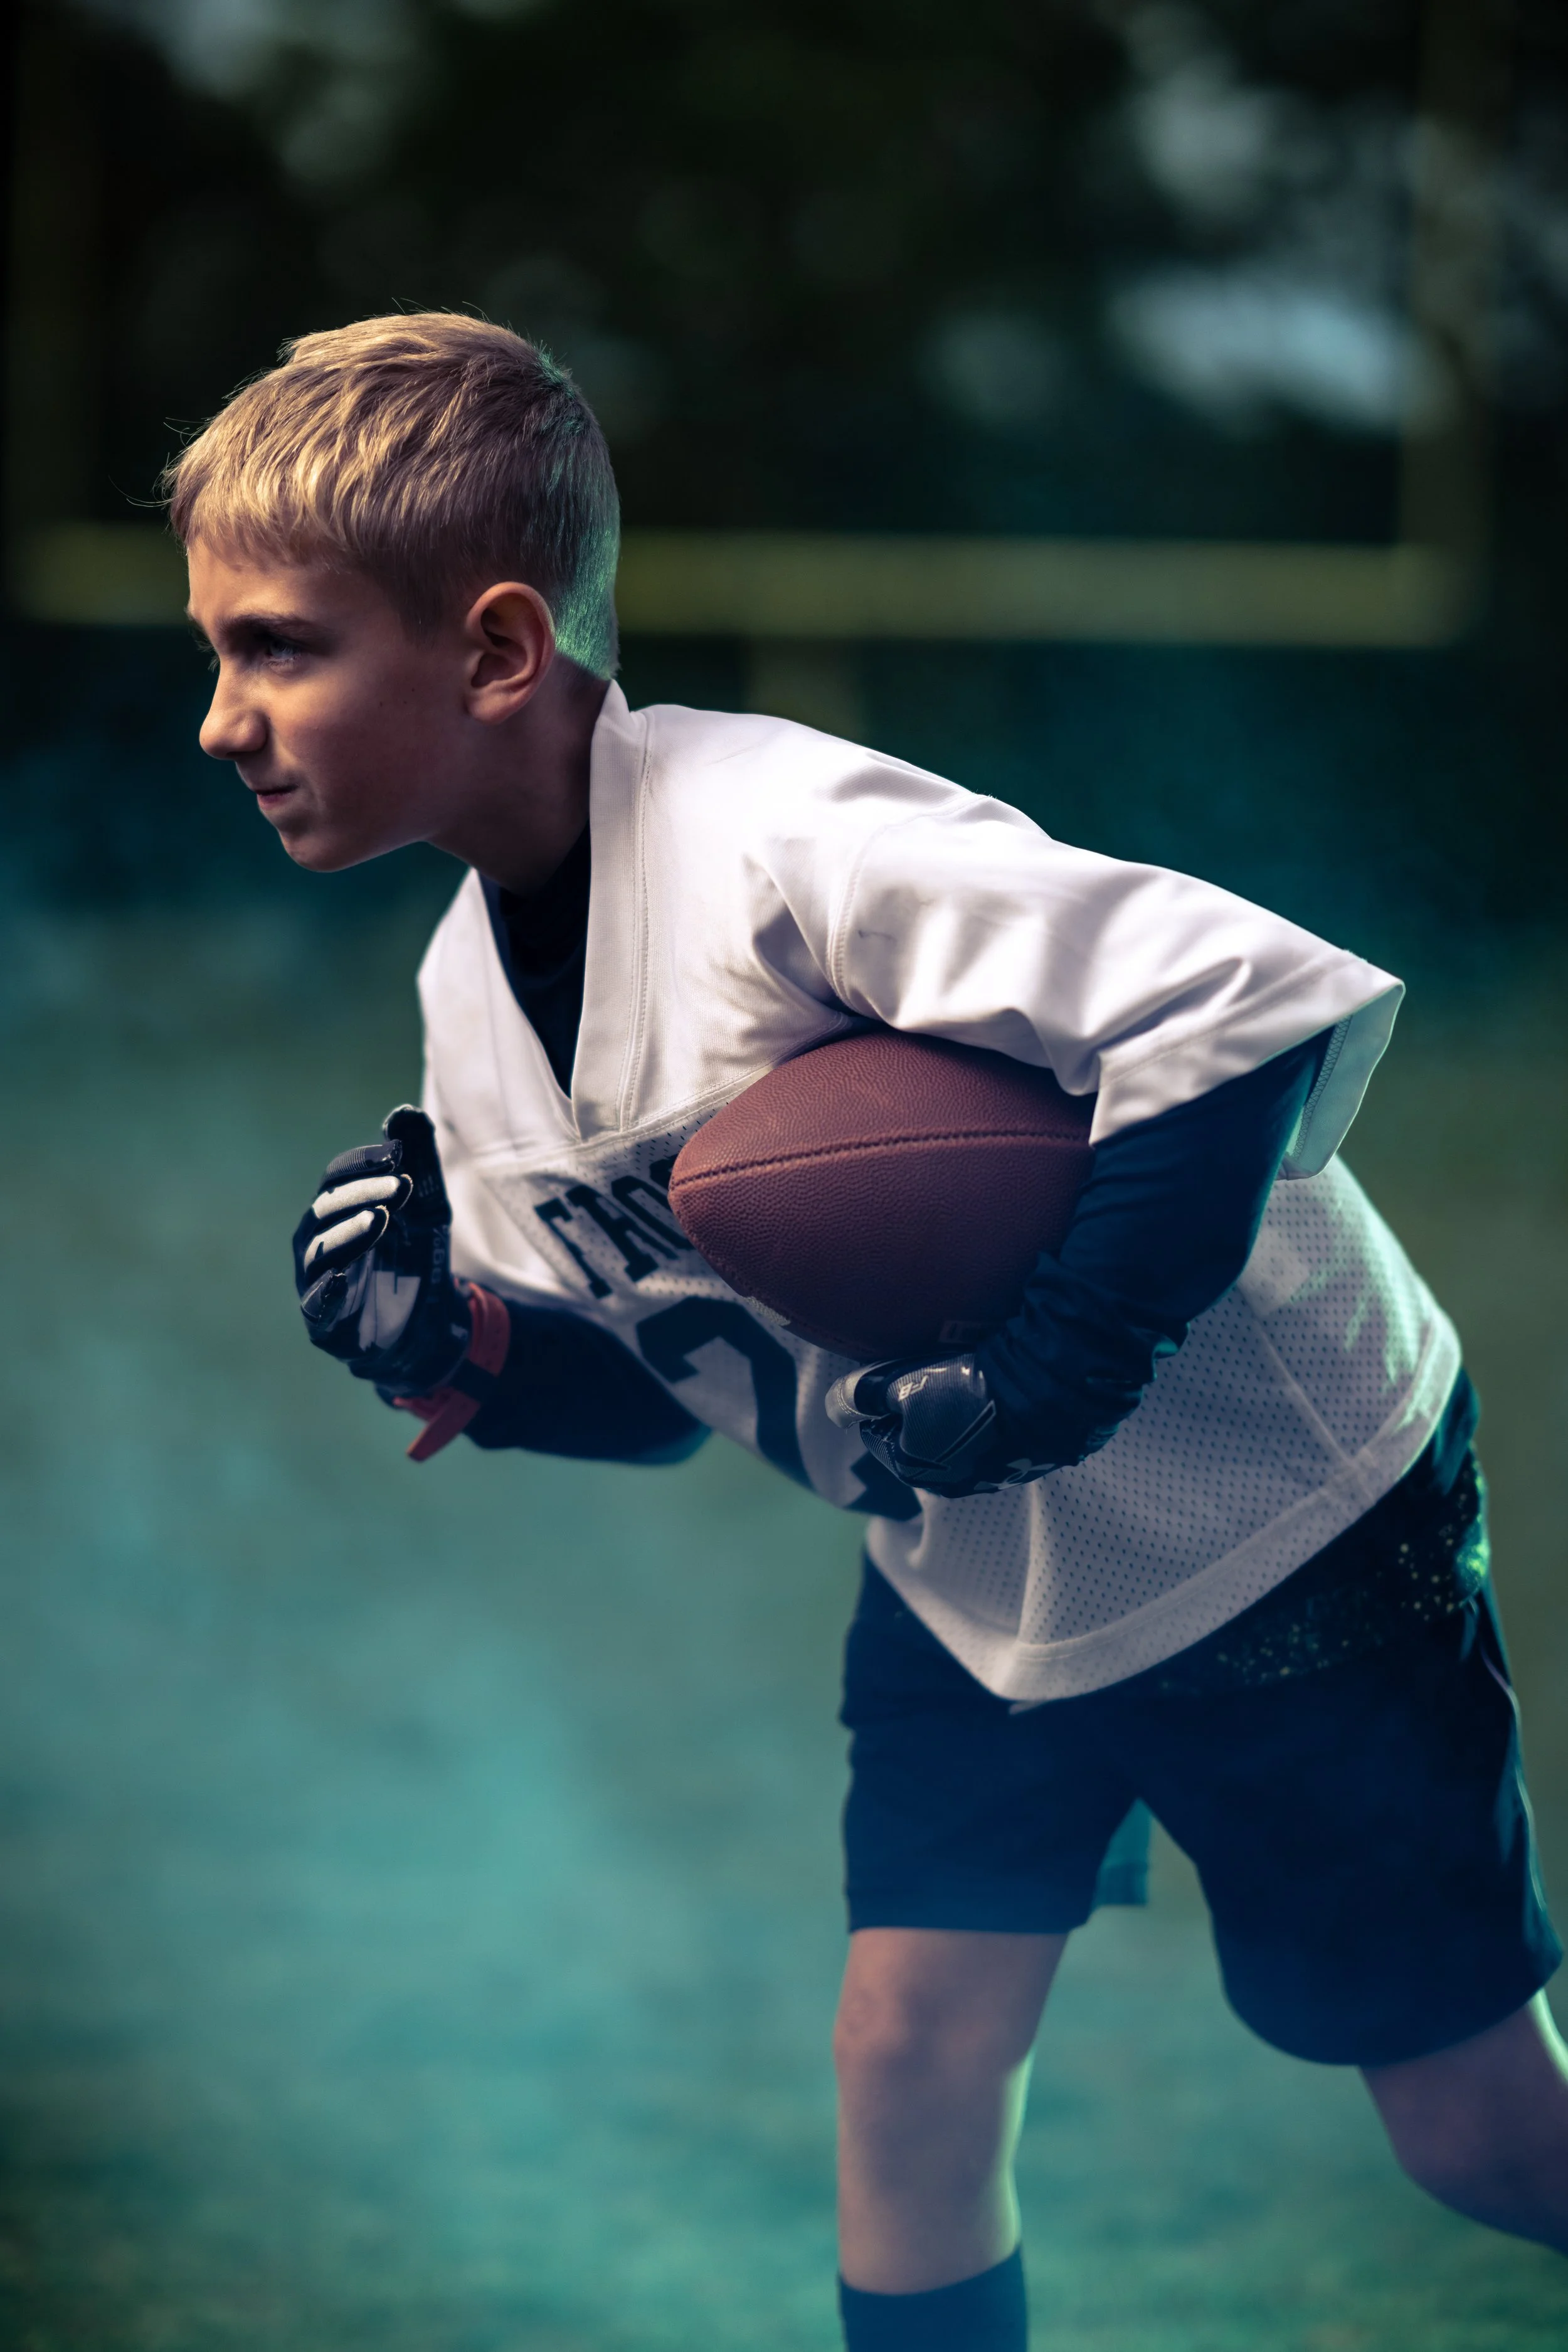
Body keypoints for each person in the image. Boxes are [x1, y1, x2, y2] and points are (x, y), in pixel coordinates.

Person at [174, 312, 1567, 2351]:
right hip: (973, 1563)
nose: (222, 717)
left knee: (1470, 2131)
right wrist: (454, 1345)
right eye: (217, 652)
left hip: (1270, 1520)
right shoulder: (467, 1004)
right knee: (905, 2061)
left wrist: (1058, 1363)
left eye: (276, 646)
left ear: (491, 652)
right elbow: (668, 1394)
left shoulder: (783, 840)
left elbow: (1225, 1001)